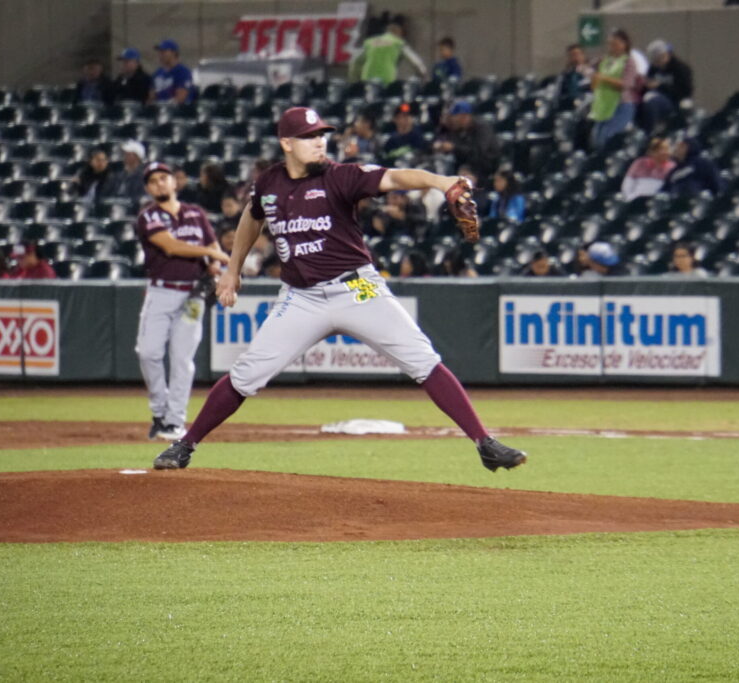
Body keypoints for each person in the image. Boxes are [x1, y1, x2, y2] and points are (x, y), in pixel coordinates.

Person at [152, 106, 526, 472]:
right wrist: (232, 270)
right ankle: (185, 444)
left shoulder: (340, 177)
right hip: (301, 298)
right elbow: (252, 218)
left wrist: (441, 181)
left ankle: (484, 443)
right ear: (286, 143)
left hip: (358, 287)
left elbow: (395, 178)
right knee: (247, 373)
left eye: (322, 136)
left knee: (422, 358)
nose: (320, 143)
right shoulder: (269, 182)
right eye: (310, 137)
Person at [135, 161, 230, 442]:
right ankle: (159, 411)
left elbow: (213, 247)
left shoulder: (195, 214)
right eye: (153, 181)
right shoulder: (148, 216)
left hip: (192, 295)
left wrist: (215, 262)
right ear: (148, 188)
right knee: (148, 353)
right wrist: (215, 255)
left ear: (175, 182)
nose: (160, 183)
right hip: (162, 291)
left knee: (182, 360)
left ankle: (174, 422)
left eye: (164, 178)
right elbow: (170, 246)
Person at [589, 29, 640, 149]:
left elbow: (626, 84)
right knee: (597, 138)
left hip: (620, 105)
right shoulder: (605, 61)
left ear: (624, 45)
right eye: (610, 44)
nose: (612, 47)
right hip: (603, 105)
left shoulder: (628, 62)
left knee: (609, 136)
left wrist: (604, 78)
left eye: (615, 44)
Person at [433, 101, 501, 180]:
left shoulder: (481, 128)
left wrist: (454, 148)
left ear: (464, 117)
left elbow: (478, 152)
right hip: (467, 163)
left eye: (454, 117)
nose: (452, 120)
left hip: (485, 165)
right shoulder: (458, 129)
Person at [348, 21, 427, 85]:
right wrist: (421, 76)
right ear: (399, 34)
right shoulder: (398, 43)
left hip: (367, 79)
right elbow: (416, 62)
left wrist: (355, 81)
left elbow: (355, 62)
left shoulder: (370, 42)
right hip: (386, 79)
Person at [641, 40, 693, 134]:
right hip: (654, 97)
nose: (659, 62)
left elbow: (684, 91)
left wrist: (660, 86)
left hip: (674, 102)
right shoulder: (653, 69)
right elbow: (647, 83)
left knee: (653, 102)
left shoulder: (680, 69)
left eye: (662, 57)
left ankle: (650, 132)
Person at [622, 137, 676, 201]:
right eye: (661, 149)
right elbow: (627, 184)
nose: (665, 152)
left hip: (658, 200)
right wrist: (630, 198)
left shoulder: (672, 166)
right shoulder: (640, 162)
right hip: (636, 199)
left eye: (666, 150)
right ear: (652, 152)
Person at [150, 39, 195, 104]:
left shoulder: (183, 72)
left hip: (178, 111)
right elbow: (152, 96)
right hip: (159, 111)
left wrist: (163, 105)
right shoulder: (157, 73)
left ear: (174, 53)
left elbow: (181, 97)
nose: (160, 55)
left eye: (163, 52)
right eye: (159, 52)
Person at [111, 140, 147, 207]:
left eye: (128, 154)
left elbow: (140, 197)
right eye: (125, 154)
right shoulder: (118, 175)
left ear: (137, 157)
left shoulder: (143, 176)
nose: (125, 156)